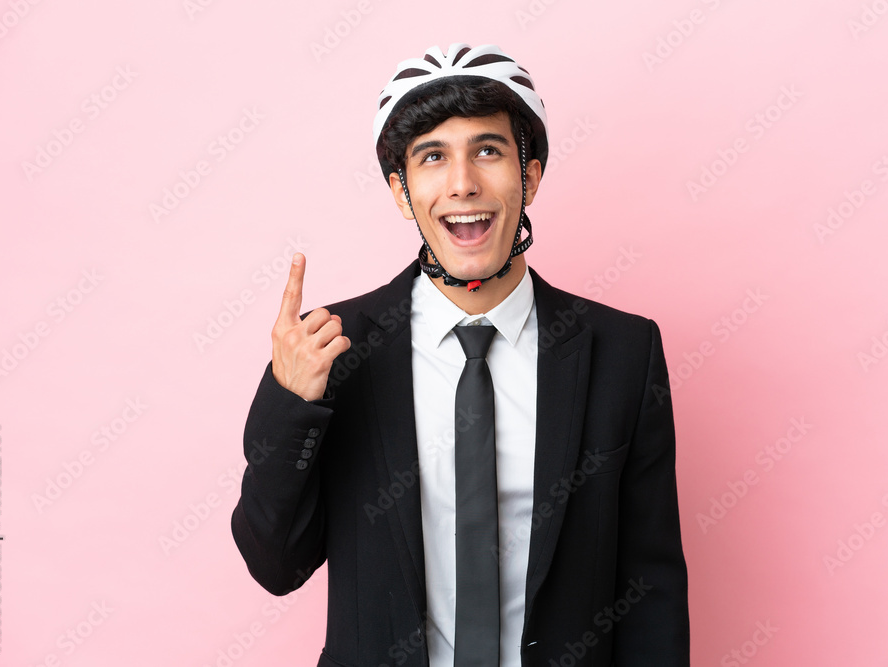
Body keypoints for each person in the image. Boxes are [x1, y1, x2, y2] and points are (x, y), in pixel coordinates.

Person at [231, 43, 690, 666]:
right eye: (432, 157)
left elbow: (651, 589)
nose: (462, 183)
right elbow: (275, 565)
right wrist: (291, 404)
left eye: (488, 151)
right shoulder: (331, 348)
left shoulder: (624, 351)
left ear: (530, 177)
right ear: (402, 193)